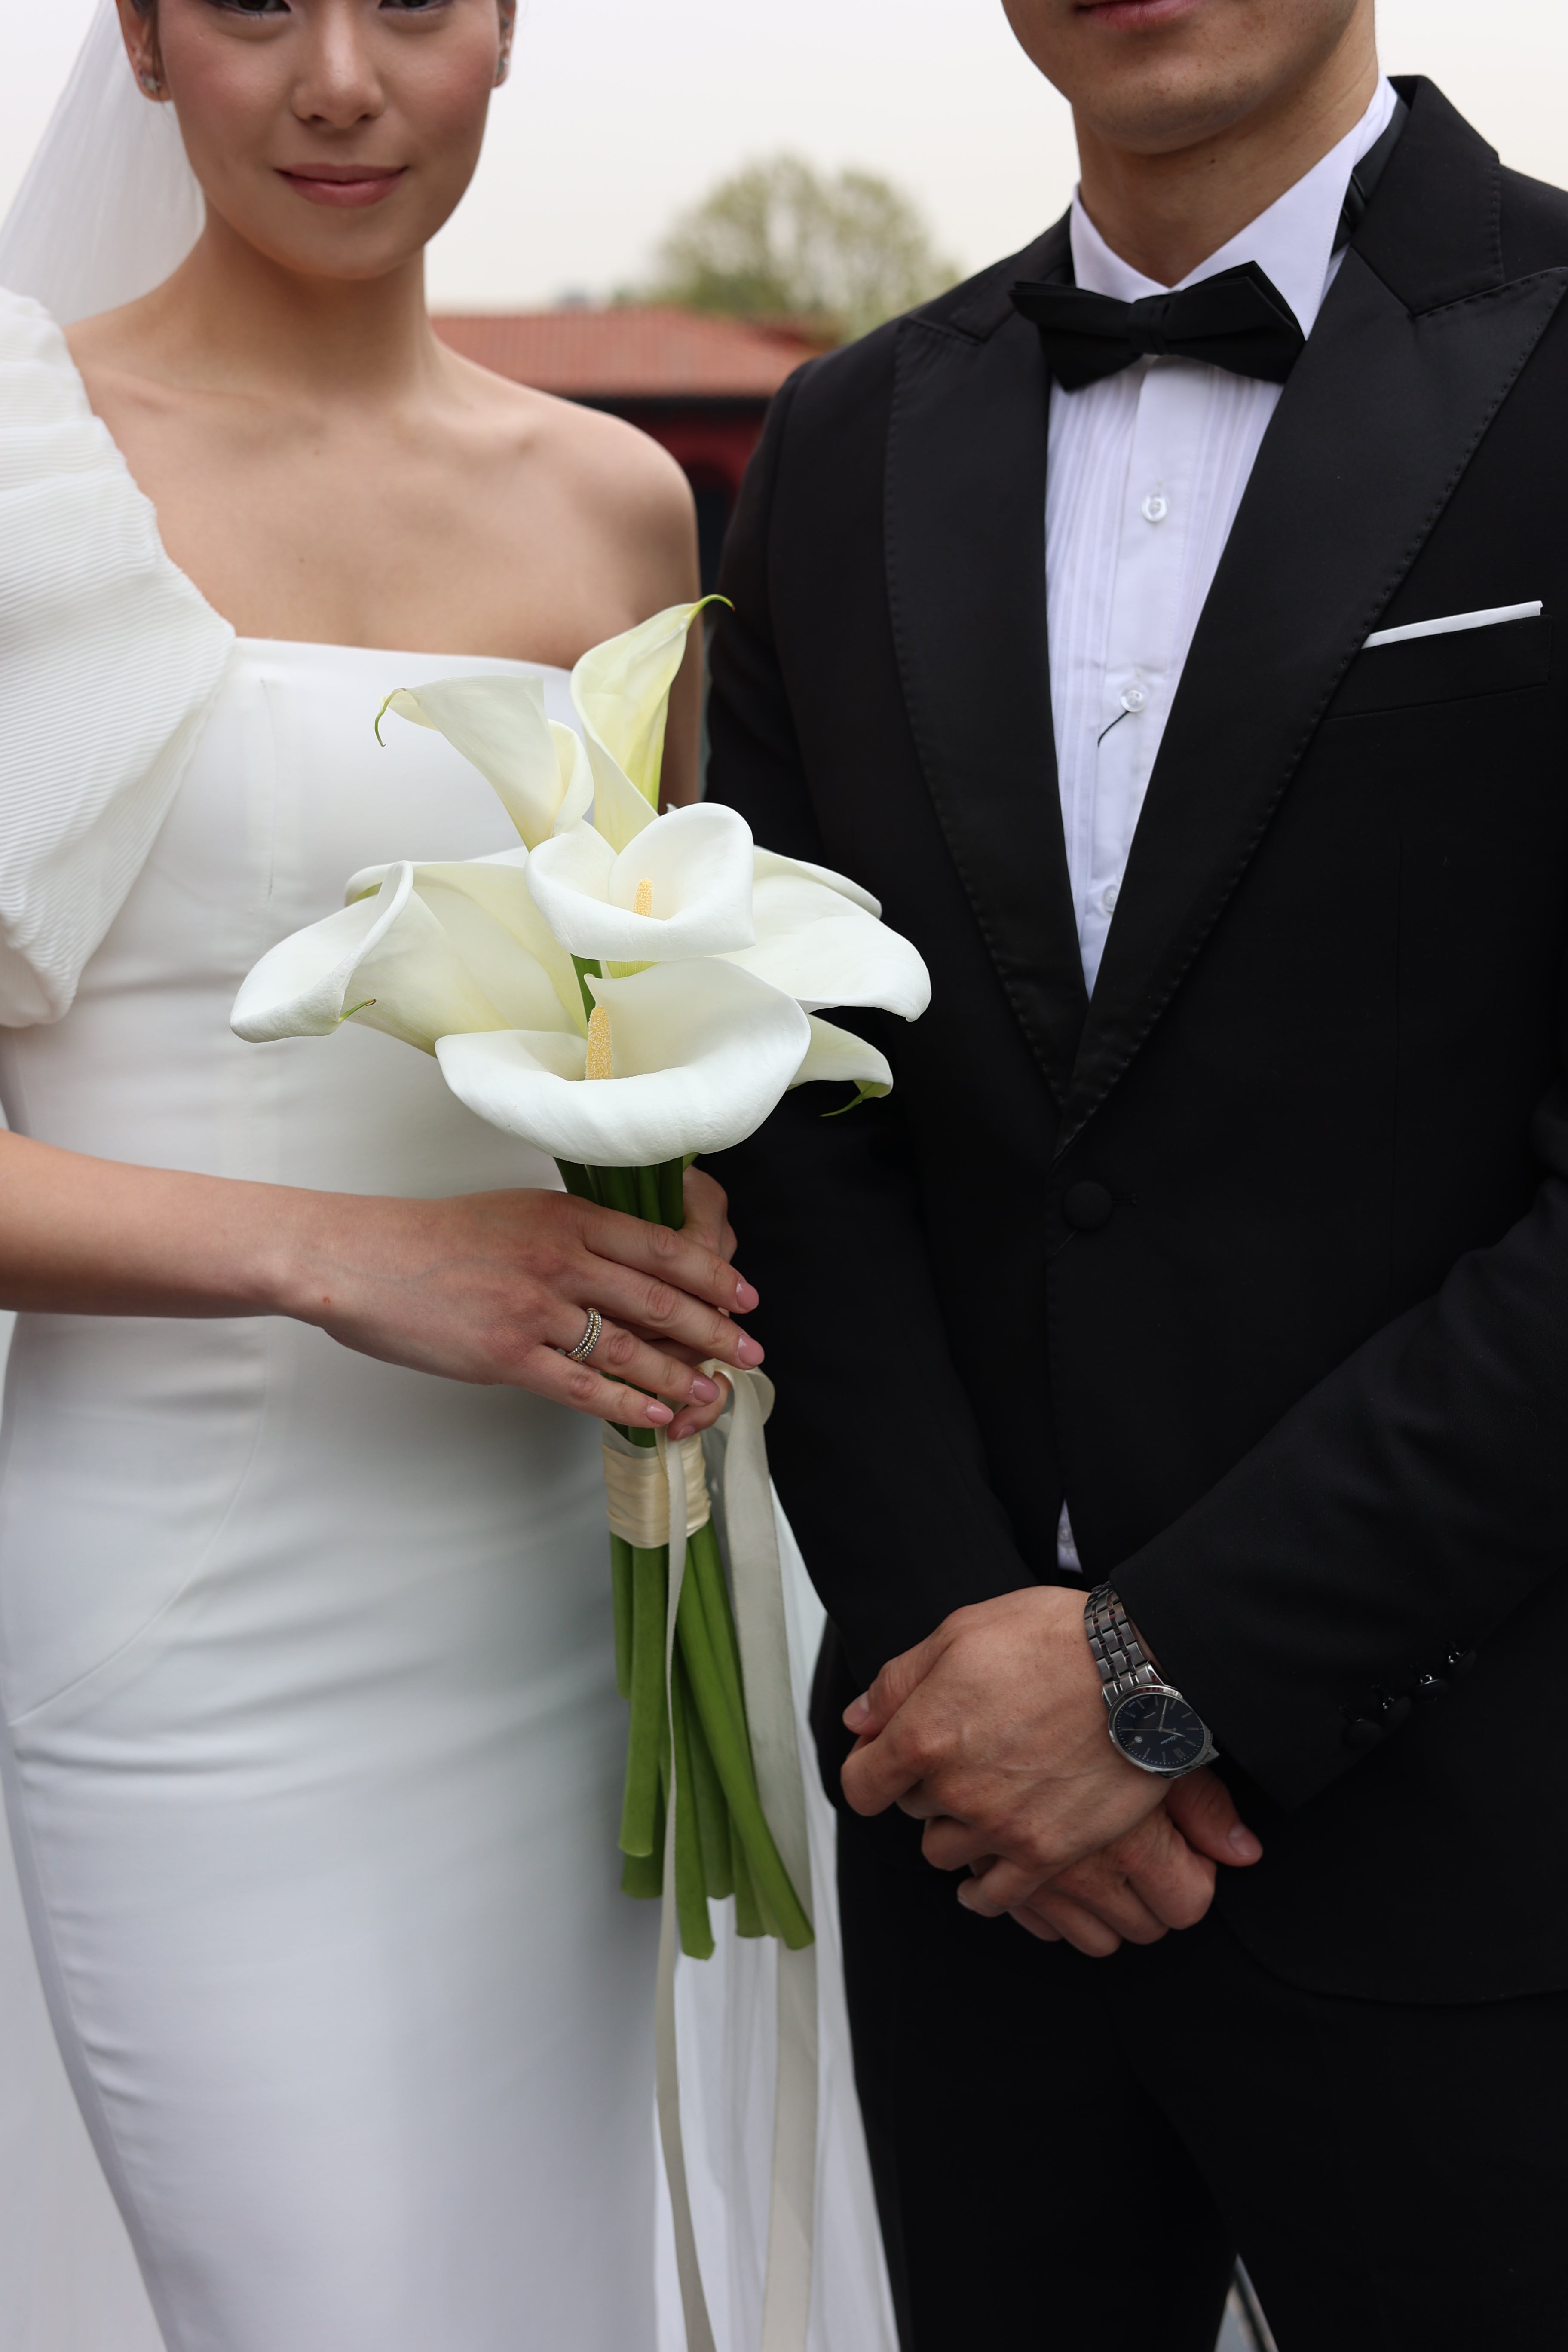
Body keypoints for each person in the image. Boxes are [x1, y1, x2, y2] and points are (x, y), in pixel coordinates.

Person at [0, 5, 897, 2349]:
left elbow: (659, 1012)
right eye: (250, 6)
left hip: (592, 1591)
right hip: (191, 1617)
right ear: (141, 40)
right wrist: (340, 1256)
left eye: (410, 0)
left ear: (505, 30)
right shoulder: (16, 452)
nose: (333, 81)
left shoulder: (618, 502)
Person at [705, 0, 1568, 2344]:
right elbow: (804, 1101)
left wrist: (1166, 1679)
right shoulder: (846, 438)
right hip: (969, 1833)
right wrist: (965, 1677)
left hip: (1482, 1827)